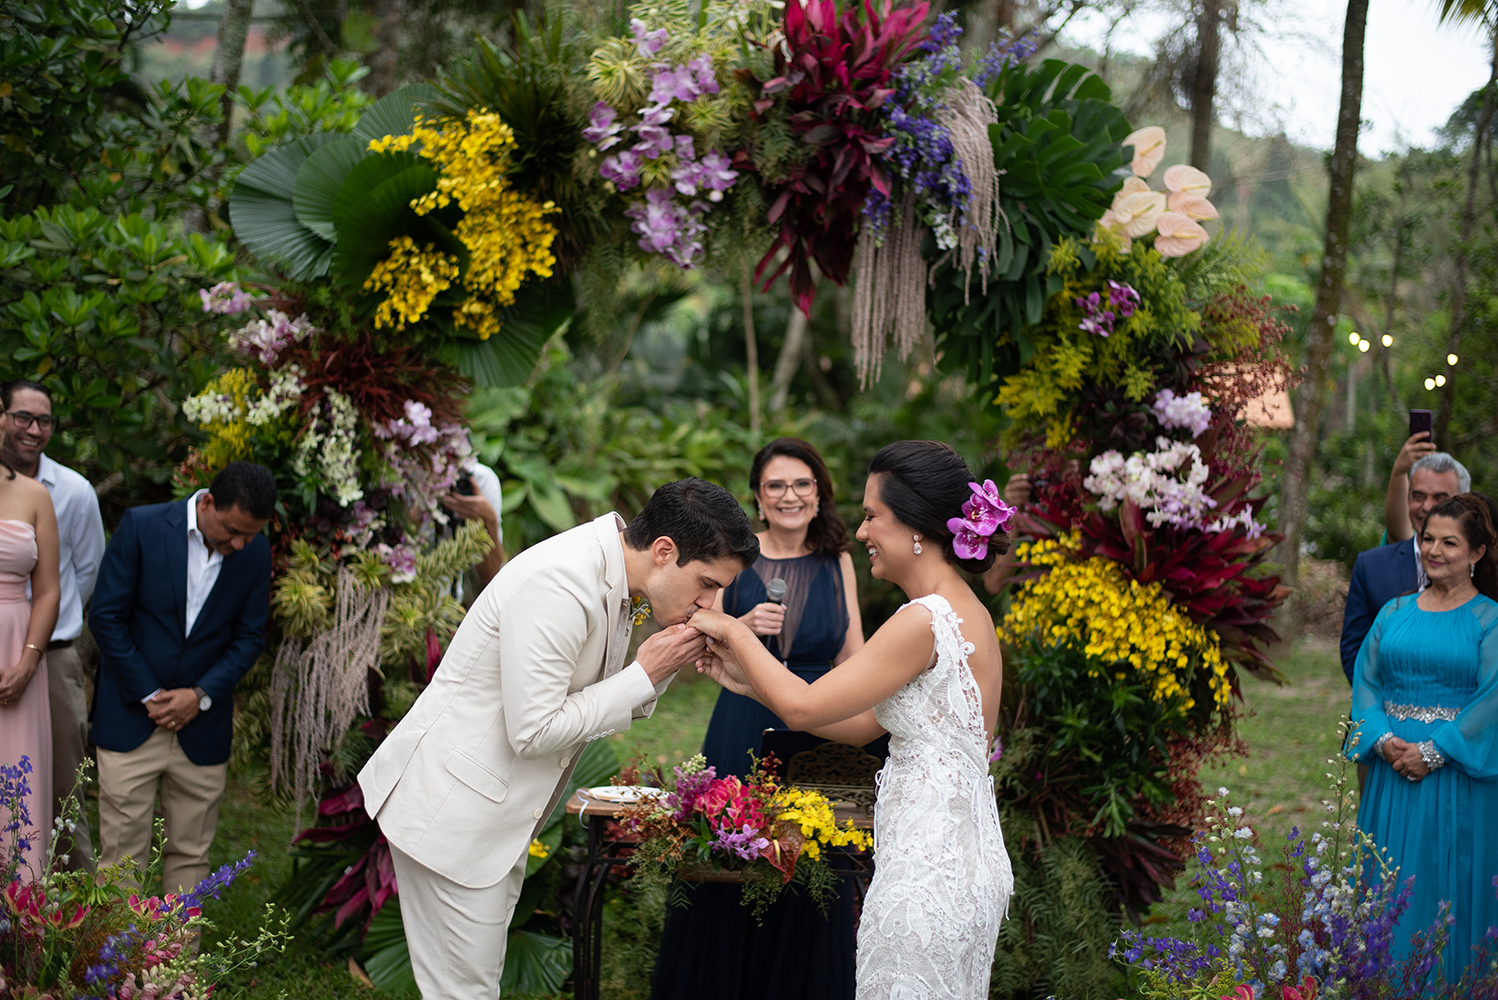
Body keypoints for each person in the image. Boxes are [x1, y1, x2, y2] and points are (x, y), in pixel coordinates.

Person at [358, 478, 760, 1000]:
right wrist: (642, 673)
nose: (712, 601)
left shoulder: (615, 574)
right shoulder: (563, 582)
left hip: (494, 818)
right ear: (664, 551)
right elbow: (534, 730)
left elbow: (593, 696)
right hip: (453, 813)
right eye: (707, 583)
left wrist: (659, 667)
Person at [693, 442, 1013, 999]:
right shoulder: (968, 610)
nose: (861, 532)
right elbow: (864, 724)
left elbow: (803, 707)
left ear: (915, 525)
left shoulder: (924, 620)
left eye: (872, 516)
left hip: (927, 871)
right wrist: (745, 682)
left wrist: (737, 633)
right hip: (960, 854)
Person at [652, 438, 864, 1000]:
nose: (789, 495)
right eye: (776, 485)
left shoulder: (837, 559)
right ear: (759, 497)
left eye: (802, 484)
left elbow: (854, 655)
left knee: (817, 862)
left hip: (821, 723)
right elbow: (701, 650)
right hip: (745, 717)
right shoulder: (738, 560)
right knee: (732, 852)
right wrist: (741, 625)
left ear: (819, 494)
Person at [88, 461, 274, 893]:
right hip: (131, 719)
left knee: (191, 858)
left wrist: (200, 695)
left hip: (202, 727)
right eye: (232, 530)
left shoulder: (255, 551)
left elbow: (248, 639)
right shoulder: (142, 526)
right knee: (121, 859)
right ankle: (114, 962)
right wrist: (149, 693)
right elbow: (106, 618)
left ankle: (175, 963)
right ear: (207, 502)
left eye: (250, 534)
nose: (240, 543)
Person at [1349, 493, 1498, 983]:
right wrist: (1381, 739)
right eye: (1428, 538)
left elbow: (1492, 699)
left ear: (1476, 553)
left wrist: (1433, 752)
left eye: (1449, 542)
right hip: (1392, 773)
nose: (1434, 550)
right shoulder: (1391, 613)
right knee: (1386, 890)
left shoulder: (1490, 620)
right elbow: (1366, 681)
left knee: (1439, 889)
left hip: (1455, 777)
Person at [0, 379, 106, 870]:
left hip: (50, 651)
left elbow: (86, 571)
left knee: (61, 782)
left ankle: (75, 912)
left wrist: (36, 641)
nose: (34, 429)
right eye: (24, 417)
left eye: (44, 421)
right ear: (3, 418)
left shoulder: (71, 491)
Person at [1340, 451, 1469, 684]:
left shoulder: (1483, 569)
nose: (1427, 507)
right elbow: (1353, 654)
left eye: (1440, 498)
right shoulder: (1372, 567)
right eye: (1418, 496)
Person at [0, 450, 60, 879]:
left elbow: (49, 591)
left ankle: (19, 933)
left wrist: (28, 661)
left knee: (17, 795)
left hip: (17, 651)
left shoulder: (35, 494)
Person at [443, 461, 505, 592]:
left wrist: (488, 520)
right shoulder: (411, 476)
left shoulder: (481, 478)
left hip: (451, 599)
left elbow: (491, 577)